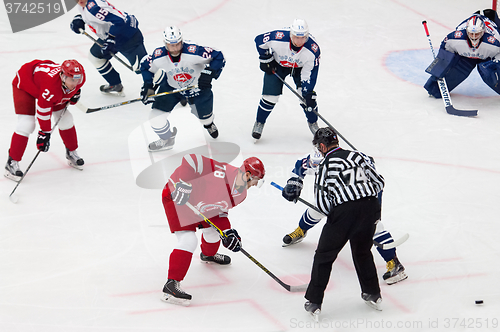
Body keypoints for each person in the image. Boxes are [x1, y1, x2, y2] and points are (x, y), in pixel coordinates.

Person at [281, 149, 407, 286]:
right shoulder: (316, 160)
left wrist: (374, 215)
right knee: (316, 209)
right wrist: (295, 182)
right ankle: (301, 230)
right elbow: (300, 165)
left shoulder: (353, 163)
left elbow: (377, 186)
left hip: (359, 196)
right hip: (334, 194)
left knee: (375, 226)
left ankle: (394, 263)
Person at [301, 127, 385, 320]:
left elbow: (322, 204)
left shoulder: (325, 165)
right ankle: (373, 293)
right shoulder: (358, 156)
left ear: (322, 146)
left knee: (324, 256)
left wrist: (340, 214)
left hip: (344, 213)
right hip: (370, 207)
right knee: (363, 251)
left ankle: (314, 302)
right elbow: (379, 183)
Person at [161, 155, 265, 306]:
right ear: (248, 175)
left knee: (214, 232)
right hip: (177, 197)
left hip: (200, 204)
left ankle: (208, 255)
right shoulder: (222, 173)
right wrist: (182, 184)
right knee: (189, 240)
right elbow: (191, 160)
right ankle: (171, 285)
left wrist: (228, 232)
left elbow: (220, 212)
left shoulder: (241, 194)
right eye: (256, 180)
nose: (255, 184)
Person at [139, 26, 226, 152]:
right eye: (171, 45)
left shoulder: (194, 51)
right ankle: (166, 139)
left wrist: (209, 72)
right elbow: (144, 65)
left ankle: (208, 124)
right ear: (165, 44)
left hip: (197, 88)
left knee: (205, 118)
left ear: (182, 41)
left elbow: (218, 55)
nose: (175, 48)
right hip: (172, 88)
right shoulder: (158, 55)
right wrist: (148, 85)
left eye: (178, 44)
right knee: (155, 118)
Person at [5, 59, 86, 182]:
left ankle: (72, 153)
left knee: (65, 118)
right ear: (62, 77)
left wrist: (73, 93)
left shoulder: (79, 78)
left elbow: (75, 88)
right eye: (72, 80)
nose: (75, 83)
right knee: (27, 124)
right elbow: (43, 111)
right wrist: (44, 133)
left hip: (47, 86)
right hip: (26, 83)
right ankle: (11, 162)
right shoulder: (51, 87)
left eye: (77, 80)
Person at [252, 18, 321, 141]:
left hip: (300, 69)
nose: (300, 41)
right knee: (270, 97)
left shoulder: (312, 50)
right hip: (278, 65)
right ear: (291, 34)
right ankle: (259, 122)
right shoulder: (278, 37)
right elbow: (259, 40)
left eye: (303, 37)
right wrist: (265, 59)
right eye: (297, 37)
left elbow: (309, 73)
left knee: (306, 98)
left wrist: (308, 91)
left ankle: (313, 123)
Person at [70, 0, 147, 95]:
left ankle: (162, 88)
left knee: (143, 67)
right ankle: (115, 84)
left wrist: (111, 38)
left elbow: (120, 20)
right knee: (95, 56)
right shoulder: (84, 4)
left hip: (128, 38)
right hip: (111, 37)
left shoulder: (94, 8)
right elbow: (95, 16)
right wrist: (80, 18)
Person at [424, 10, 500, 98]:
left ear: (483, 32)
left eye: (477, 34)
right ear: (466, 31)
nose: (474, 37)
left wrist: (496, 64)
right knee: (435, 90)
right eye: (471, 34)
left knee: (490, 71)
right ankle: (435, 88)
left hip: (487, 57)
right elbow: (446, 47)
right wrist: (441, 64)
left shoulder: (494, 42)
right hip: (465, 57)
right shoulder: (455, 38)